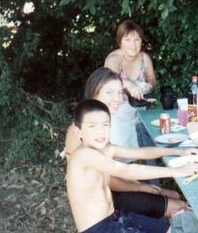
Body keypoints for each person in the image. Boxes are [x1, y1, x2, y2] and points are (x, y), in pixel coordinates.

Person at [66, 99, 198, 233]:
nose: (100, 131)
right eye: (92, 126)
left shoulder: (105, 149)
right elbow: (126, 171)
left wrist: (180, 152)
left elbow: (142, 152)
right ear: (78, 131)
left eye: (105, 125)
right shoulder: (83, 155)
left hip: (115, 219)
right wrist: (174, 171)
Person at [65, 68, 187, 219]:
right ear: (94, 93)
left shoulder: (97, 121)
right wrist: (139, 187)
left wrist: (137, 184)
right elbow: (108, 179)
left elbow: (116, 168)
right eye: (109, 93)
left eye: (120, 92)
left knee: (173, 194)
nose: (117, 99)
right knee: (177, 205)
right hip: (102, 201)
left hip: (109, 189)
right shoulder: (85, 128)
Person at [104, 20, 157, 155]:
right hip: (118, 115)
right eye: (128, 40)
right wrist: (128, 83)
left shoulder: (144, 58)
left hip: (140, 113)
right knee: (121, 157)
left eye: (137, 40)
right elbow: (108, 79)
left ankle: (143, 176)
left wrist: (149, 85)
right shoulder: (114, 58)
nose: (133, 45)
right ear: (120, 41)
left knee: (143, 153)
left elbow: (152, 79)